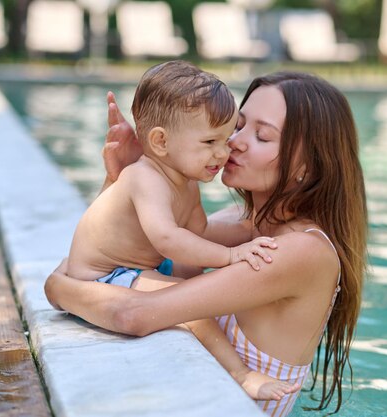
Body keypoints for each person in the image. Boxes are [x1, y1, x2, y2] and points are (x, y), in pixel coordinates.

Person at [45, 71, 368, 416]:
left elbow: (133, 313)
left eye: (261, 136)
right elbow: (125, 255)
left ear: (307, 166)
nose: (235, 142)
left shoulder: (302, 252)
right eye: (238, 125)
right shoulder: (239, 223)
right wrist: (126, 179)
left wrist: (56, 286)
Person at [64, 60, 296, 401]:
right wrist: (232, 256)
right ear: (160, 142)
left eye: (226, 137)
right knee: (193, 309)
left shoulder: (184, 182)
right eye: (209, 141)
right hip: (105, 276)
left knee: (193, 273)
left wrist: (251, 232)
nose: (224, 151)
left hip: (137, 267)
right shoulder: (145, 178)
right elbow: (168, 239)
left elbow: (200, 231)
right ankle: (241, 374)